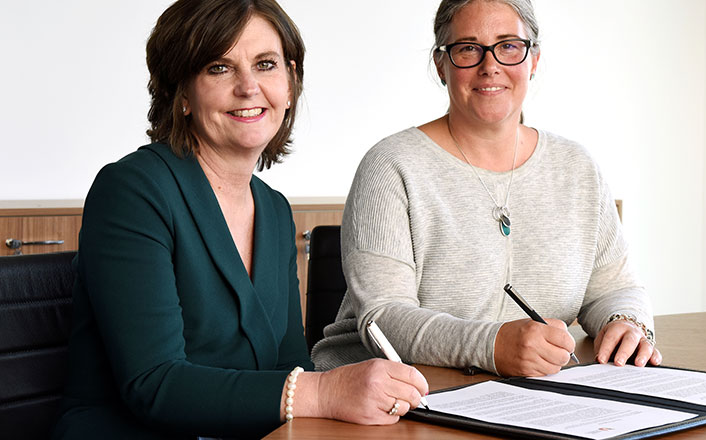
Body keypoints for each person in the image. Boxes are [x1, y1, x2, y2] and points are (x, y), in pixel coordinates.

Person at [51, 1, 427, 438]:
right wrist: (323, 393)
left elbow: (289, 365)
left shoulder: (273, 209)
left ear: (289, 83)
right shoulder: (133, 190)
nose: (249, 87)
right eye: (219, 68)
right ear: (182, 94)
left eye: (265, 64)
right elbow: (154, 384)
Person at [312, 0, 662, 378]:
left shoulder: (576, 167)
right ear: (441, 65)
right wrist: (493, 346)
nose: (490, 65)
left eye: (509, 46)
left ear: (534, 59)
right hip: (388, 397)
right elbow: (384, 319)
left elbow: (614, 288)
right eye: (468, 48)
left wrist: (626, 321)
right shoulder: (391, 165)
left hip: (523, 398)